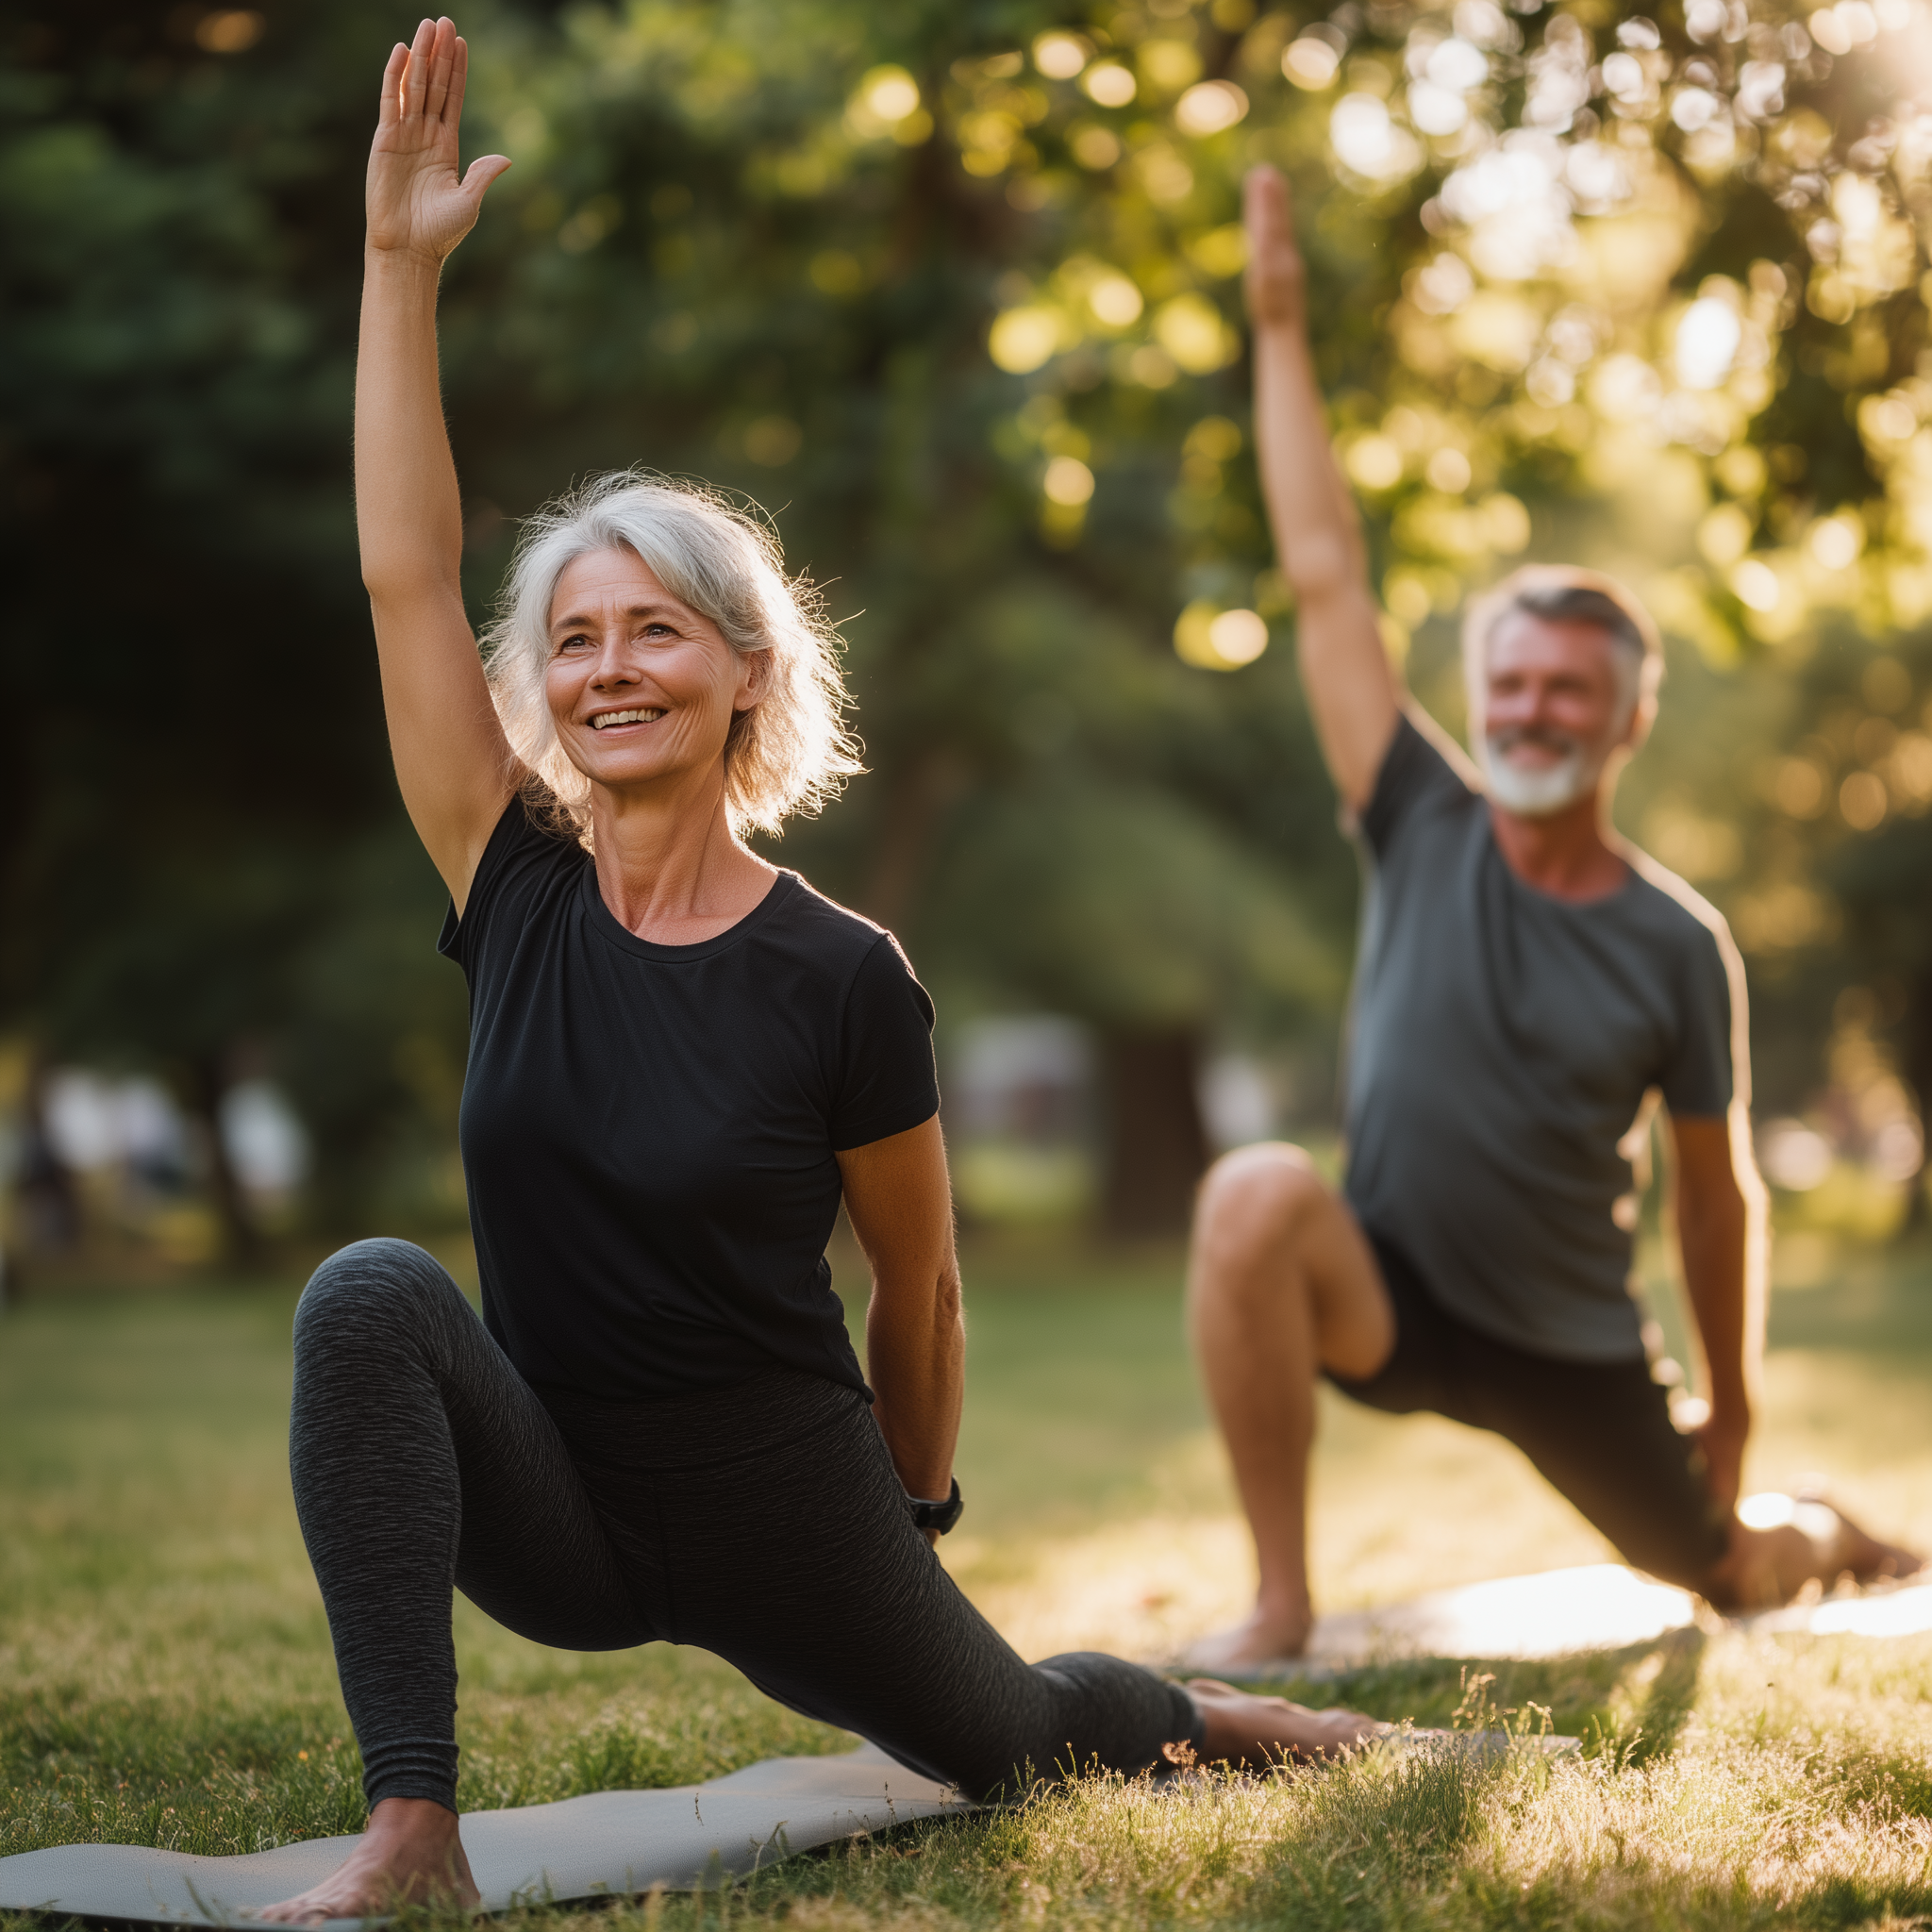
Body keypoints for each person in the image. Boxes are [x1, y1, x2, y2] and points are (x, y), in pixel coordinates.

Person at [259, 25, 1391, 1923]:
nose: (608, 665)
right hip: (563, 1500)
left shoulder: (843, 971)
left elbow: (922, 1283)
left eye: (657, 633)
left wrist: (917, 1516)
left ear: (745, 673)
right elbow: (403, 568)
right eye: (575, 639)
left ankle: (1234, 1715)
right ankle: (409, 1830)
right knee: (368, 1293)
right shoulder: (512, 881)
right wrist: (397, 270)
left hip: (791, 1497)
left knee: (1018, 1738)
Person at [1181, 166, 1923, 1672]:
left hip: (1571, 1346)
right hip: (1386, 1288)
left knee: (1728, 1574)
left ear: (1626, 718)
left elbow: (1717, 1202)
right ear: (1479, 699)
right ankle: (1279, 1598)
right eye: (1509, 682)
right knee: (1254, 1191)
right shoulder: (1417, 815)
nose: (1530, 708)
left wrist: (1737, 1405)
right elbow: (1326, 577)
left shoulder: (1675, 941)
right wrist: (1277, 330)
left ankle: (1826, 1528)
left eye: (1566, 687)